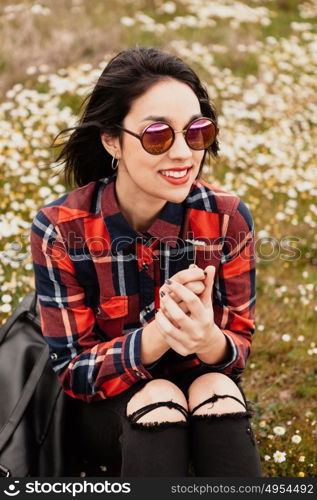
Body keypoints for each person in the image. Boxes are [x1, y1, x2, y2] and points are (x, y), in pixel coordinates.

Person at [30, 46, 262, 477]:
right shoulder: (61, 228)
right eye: (158, 134)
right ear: (111, 140)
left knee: (217, 388)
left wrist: (207, 338)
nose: (183, 154)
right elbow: (74, 372)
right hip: (105, 412)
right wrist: (158, 336)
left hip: (201, 387)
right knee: (159, 400)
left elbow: (238, 350)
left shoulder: (226, 217)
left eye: (197, 132)